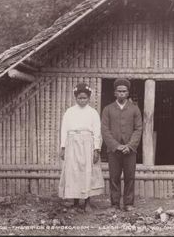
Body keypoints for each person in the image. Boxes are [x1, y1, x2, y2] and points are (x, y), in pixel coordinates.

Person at [58, 83, 104, 212]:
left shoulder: (93, 113)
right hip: (72, 143)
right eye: (79, 98)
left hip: (87, 143)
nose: (82, 100)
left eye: (84, 98)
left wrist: (96, 149)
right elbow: (64, 130)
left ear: (89, 98)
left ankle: (87, 202)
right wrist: (63, 147)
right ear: (75, 98)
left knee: (87, 171)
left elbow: (97, 132)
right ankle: (75, 202)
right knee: (73, 172)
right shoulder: (69, 112)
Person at [101, 78, 143, 212]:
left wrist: (130, 146)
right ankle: (114, 204)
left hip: (130, 150)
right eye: (119, 91)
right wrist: (115, 146)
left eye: (124, 91)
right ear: (115, 93)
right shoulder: (107, 109)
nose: (121, 94)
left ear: (128, 93)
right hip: (113, 151)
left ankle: (128, 204)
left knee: (130, 177)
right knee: (114, 177)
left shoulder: (135, 109)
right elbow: (105, 130)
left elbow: (138, 129)